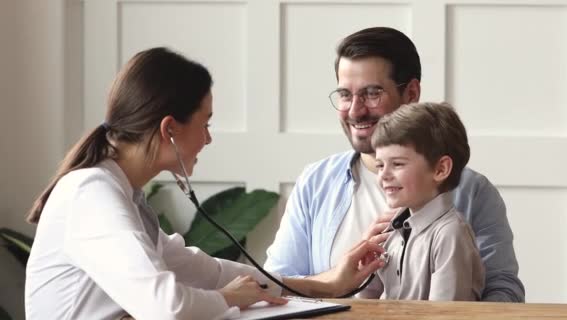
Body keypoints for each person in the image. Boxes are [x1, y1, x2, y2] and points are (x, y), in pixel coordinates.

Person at [24, 47, 386, 320]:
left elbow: (206, 270)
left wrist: (323, 285)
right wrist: (230, 298)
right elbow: (165, 307)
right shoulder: (93, 194)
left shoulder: (121, 194)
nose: (208, 139)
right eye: (206, 123)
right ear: (169, 128)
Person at [264, 26, 525, 302]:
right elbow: (274, 285)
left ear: (411, 93)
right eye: (345, 94)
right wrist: (336, 279)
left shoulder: (472, 192)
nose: (355, 110)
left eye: (372, 93)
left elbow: (503, 293)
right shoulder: (315, 182)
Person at [358, 101, 484, 300]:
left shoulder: (449, 235)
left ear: (440, 169)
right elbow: (365, 305)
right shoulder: (389, 231)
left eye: (397, 164)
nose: (384, 176)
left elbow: (444, 316)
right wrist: (363, 270)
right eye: (380, 166)